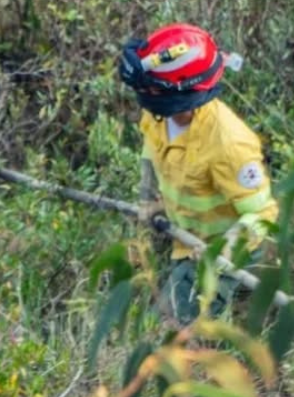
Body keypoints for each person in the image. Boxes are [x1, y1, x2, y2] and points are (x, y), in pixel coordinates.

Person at [118, 22, 278, 326]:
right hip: (185, 236)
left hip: (223, 250)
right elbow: (150, 155)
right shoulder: (157, 116)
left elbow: (264, 214)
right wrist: (149, 199)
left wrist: (227, 246)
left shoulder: (229, 143)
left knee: (163, 330)